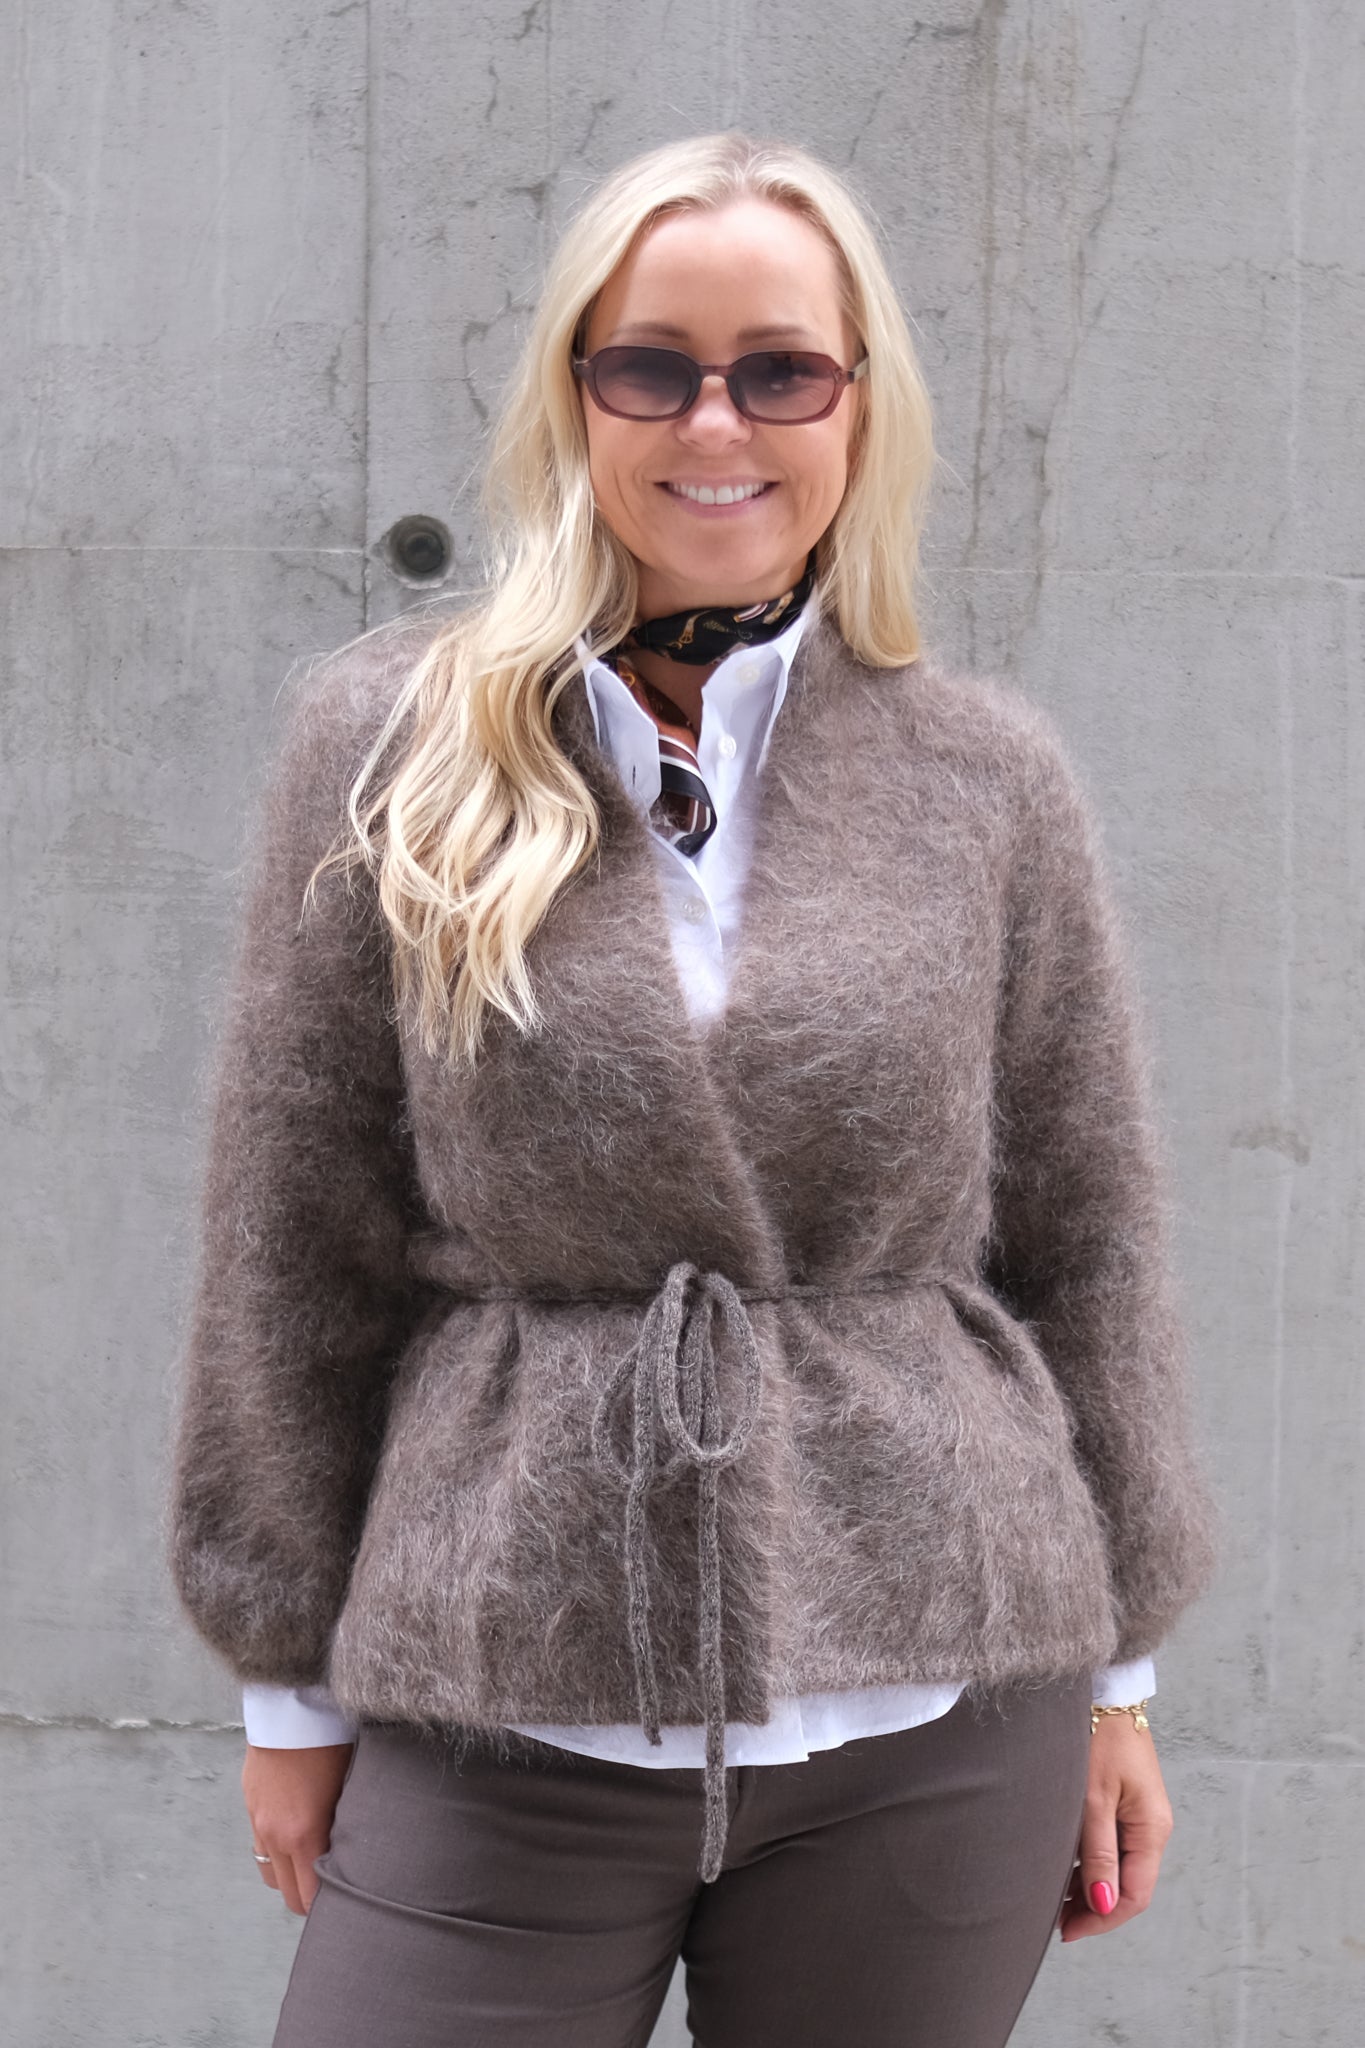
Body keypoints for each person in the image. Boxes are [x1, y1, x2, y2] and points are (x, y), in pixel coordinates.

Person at [166, 131, 1217, 2048]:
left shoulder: (982, 776)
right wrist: (287, 1689)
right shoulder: (394, 746)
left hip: (942, 1697)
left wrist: (1118, 1675)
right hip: (502, 1683)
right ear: (575, 394)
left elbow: (1088, 1240)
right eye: (651, 365)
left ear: (858, 405)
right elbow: (291, 1238)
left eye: (778, 370)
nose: (713, 422)